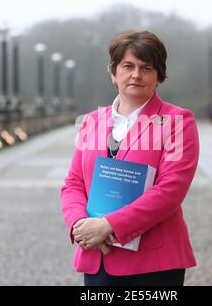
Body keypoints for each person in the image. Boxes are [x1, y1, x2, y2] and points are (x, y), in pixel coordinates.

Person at [60, 30, 199, 286]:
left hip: (154, 263)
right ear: (113, 73)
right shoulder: (91, 122)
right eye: (128, 66)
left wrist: (109, 225)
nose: (136, 74)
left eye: (146, 67)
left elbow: (171, 190)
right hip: (98, 255)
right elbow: (73, 183)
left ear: (159, 76)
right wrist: (80, 226)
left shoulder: (176, 122)